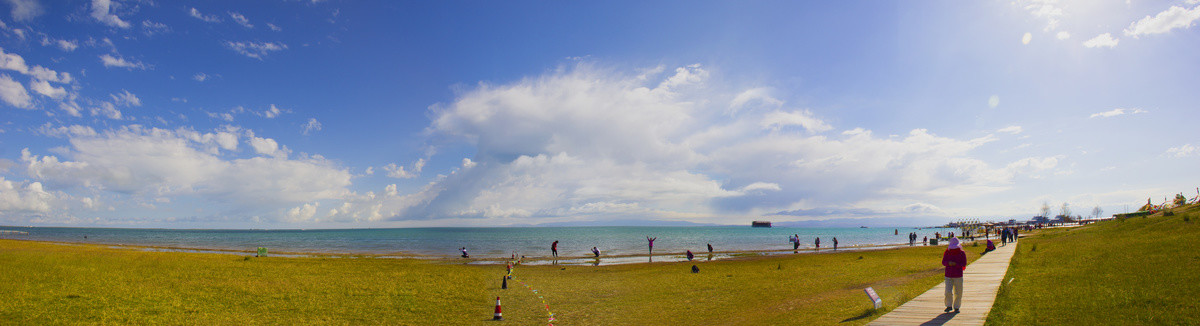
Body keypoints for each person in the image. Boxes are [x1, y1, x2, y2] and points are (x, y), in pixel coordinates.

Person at [942, 237, 967, 313]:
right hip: (949, 275)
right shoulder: (947, 252)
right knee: (948, 291)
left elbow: (964, 263)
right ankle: (949, 306)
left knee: (958, 291)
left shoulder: (962, 253)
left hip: (958, 275)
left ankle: (956, 307)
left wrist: (956, 264)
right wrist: (948, 263)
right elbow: (943, 262)